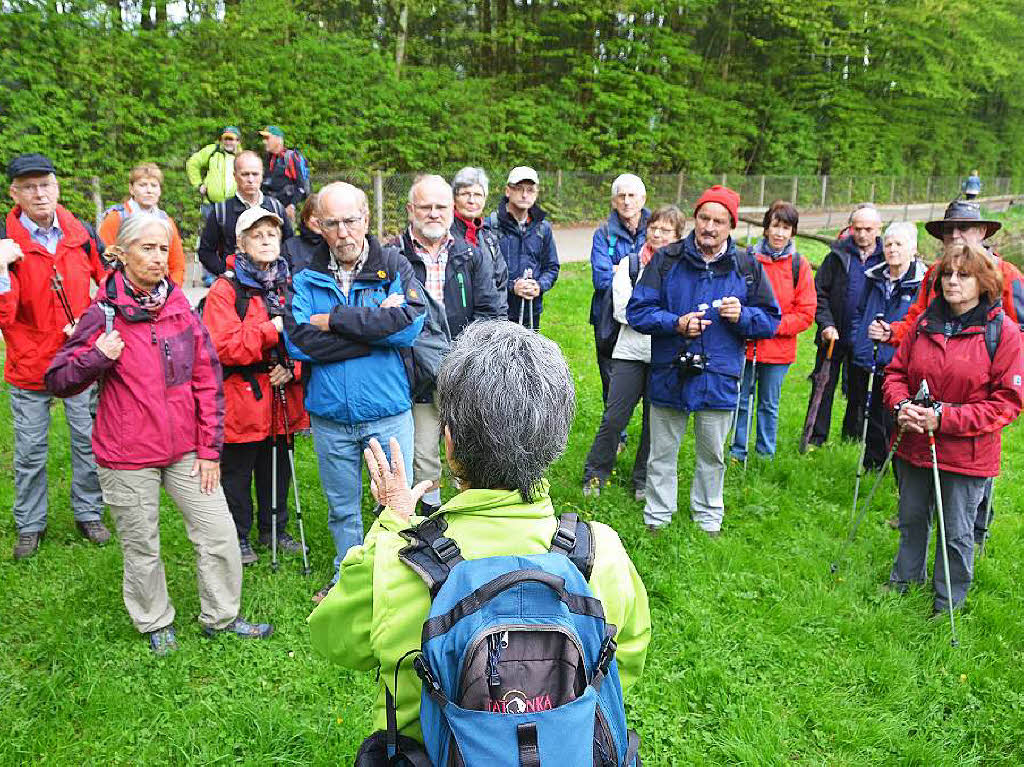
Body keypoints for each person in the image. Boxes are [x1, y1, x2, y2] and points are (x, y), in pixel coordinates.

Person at [308, 320, 651, 747]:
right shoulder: (601, 552)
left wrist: (393, 522)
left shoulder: (400, 558)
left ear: (448, 444)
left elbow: (333, 638)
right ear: (558, 441)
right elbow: (626, 658)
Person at [45, 214, 274, 654]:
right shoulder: (104, 313)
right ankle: (154, 621)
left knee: (220, 535)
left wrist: (209, 449)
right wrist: (96, 356)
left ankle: (221, 617)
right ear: (122, 253)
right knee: (141, 545)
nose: (157, 257)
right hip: (126, 454)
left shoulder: (180, 308)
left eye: (163, 249)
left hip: (187, 450)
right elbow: (58, 379)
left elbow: (207, 380)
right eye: (147, 248)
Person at [283, 181, 425, 604]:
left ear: (366, 219)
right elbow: (297, 342)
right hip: (331, 419)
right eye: (332, 223)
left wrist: (336, 319)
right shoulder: (305, 274)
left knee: (396, 507)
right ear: (318, 225)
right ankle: (350, 582)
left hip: (386, 413)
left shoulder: (393, 264)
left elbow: (410, 326)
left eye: (350, 220)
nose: (343, 232)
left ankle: (397, 582)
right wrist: (373, 330)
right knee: (343, 509)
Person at [627, 186, 780, 535]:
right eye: (704, 218)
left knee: (713, 454)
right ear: (695, 219)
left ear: (731, 226)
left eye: (719, 221)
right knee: (662, 451)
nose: (710, 227)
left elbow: (770, 320)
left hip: (720, 374)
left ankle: (709, 517)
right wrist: (675, 323)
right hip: (671, 369)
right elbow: (638, 310)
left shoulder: (746, 266)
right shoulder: (667, 260)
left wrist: (741, 316)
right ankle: (657, 517)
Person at [882, 243, 1022, 616]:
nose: (952, 282)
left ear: (984, 282)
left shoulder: (1003, 333)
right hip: (915, 443)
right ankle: (903, 581)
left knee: (956, 532)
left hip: (967, 455)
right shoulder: (924, 323)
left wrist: (944, 418)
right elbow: (895, 373)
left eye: (963, 275)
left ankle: (948, 603)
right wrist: (901, 406)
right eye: (947, 274)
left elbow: (1006, 403)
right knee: (911, 518)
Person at [875, 199, 1024, 542]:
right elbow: (918, 320)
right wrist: (893, 334)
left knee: (975, 481)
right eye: (948, 229)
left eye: (964, 228)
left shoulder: (1009, 274)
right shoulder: (935, 273)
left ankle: (974, 535)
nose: (956, 235)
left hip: (986, 386)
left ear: (983, 232)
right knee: (922, 468)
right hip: (934, 380)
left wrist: (1006, 366)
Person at [1, 153, 110, 560]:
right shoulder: (5, 241)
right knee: (29, 450)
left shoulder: (80, 232)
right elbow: (3, 315)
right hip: (30, 364)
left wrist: (89, 321)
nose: (39, 193)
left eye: (45, 184)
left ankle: (89, 513)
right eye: (28, 187)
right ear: (15, 193)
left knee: (87, 441)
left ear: (57, 186)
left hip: (78, 358)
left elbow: (107, 285)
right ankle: (30, 524)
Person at [202, 207, 310, 565]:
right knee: (237, 471)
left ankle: (275, 528)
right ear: (241, 242)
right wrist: (270, 331)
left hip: (281, 393)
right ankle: (239, 534)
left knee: (277, 466)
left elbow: (308, 335)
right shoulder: (225, 289)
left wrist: (292, 369)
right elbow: (221, 345)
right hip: (241, 397)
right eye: (256, 234)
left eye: (272, 234)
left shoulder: (291, 283)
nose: (265, 240)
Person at [394, 174, 501, 514]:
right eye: (425, 206)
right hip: (417, 378)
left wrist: (466, 358)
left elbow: (491, 311)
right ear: (411, 210)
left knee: (472, 447)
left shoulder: (470, 255)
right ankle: (430, 518)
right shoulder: (393, 256)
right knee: (423, 452)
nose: (434, 213)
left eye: (441, 206)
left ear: (452, 209)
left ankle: (474, 512)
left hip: (464, 373)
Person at [582, 204, 684, 500]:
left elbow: (682, 309)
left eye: (666, 230)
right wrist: (668, 320)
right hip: (629, 352)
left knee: (656, 423)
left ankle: (643, 480)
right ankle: (595, 474)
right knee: (614, 417)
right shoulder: (630, 264)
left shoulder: (682, 270)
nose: (658, 234)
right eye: (654, 227)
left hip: (665, 357)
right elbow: (624, 311)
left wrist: (658, 317)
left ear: (678, 236)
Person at [729, 201, 816, 462]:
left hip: (778, 350)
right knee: (741, 400)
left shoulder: (799, 265)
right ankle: (737, 451)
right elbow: (735, 296)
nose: (779, 233)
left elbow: (806, 312)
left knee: (768, 404)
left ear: (793, 232)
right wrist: (747, 322)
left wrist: (771, 325)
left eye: (785, 228)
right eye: (775, 226)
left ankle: (765, 454)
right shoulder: (748, 259)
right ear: (766, 228)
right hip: (746, 344)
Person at [805, 204, 884, 448]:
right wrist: (826, 324)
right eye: (857, 228)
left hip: (865, 336)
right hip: (833, 333)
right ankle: (815, 437)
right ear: (850, 228)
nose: (862, 234)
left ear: (878, 229)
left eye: (868, 229)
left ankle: (853, 436)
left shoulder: (885, 259)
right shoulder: (837, 256)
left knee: (860, 388)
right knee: (823, 384)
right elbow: (819, 293)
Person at [848, 221, 924, 469]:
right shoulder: (874, 277)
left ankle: (899, 466)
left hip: (900, 360)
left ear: (912, 249)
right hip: (868, 354)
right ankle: (872, 462)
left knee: (895, 416)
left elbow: (919, 323)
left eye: (899, 244)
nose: (892, 249)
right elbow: (859, 312)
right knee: (871, 413)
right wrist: (858, 338)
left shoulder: (921, 283)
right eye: (889, 244)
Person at [590, 174, 650, 409]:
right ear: (613, 201)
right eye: (621, 196)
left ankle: (651, 434)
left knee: (652, 374)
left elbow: (664, 274)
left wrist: (620, 269)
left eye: (632, 195)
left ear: (643, 199)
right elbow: (602, 279)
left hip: (648, 312)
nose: (626, 201)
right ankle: (616, 435)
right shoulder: (603, 234)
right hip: (607, 314)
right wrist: (637, 270)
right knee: (611, 375)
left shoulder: (656, 229)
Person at [197, 150, 293, 277]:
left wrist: (280, 272)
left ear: (262, 175)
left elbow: (289, 244)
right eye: (245, 174)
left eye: (255, 174)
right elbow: (205, 251)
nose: (250, 179)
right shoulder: (221, 211)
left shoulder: (276, 207)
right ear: (235, 176)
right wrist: (225, 272)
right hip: (235, 286)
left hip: (272, 284)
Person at [490, 166, 559, 329]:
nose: (524, 194)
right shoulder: (491, 226)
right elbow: (484, 274)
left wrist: (539, 286)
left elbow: (552, 267)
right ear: (508, 191)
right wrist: (512, 286)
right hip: (498, 313)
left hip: (531, 311)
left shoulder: (543, 228)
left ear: (536, 193)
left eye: (530, 189)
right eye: (519, 188)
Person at [98, 162, 186, 286]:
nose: (149, 190)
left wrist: (171, 294)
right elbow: (105, 262)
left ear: (160, 191)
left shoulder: (167, 222)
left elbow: (177, 265)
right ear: (131, 189)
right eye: (143, 185)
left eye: (154, 185)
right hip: (122, 292)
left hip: (161, 293)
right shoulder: (116, 218)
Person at [450, 166, 508, 315]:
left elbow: (500, 284)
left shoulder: (489, 239)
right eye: (465, 194)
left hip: (488, 324)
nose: (471, 200)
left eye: (477, 194)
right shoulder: (444, 236)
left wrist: (500, 323)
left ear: (485, 199)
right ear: (454, 198)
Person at [185, 126, 240, 216]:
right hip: (210, 205)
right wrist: (198, 184)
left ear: (238, 141)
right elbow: (192, 163)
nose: (228, 142)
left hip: (234, 206)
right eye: (225, 139)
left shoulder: (242, 157)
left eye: (231, 139)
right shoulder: (212, 151)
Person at [259, 125, 310, 222]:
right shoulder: (269, 158)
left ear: (278, 139)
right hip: (269, 208)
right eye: (264, 138)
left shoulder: (290, 158)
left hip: (286, 211)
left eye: (267, 138)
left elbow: (301, 186)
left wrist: (292, 205)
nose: (264, 141)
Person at [281, 192, 321, 275]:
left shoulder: (334, 246)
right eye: (314, 215)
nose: (318, 220)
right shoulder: (289, 246)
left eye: (322, 216)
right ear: (305, 217)